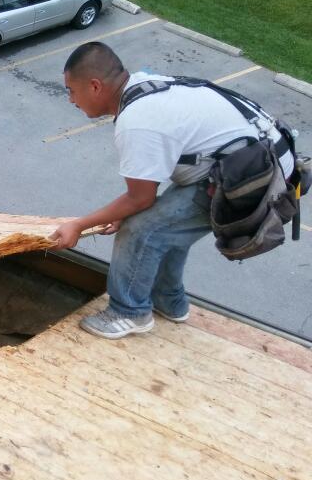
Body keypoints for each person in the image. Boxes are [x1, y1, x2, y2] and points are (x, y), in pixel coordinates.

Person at [51, 42, 296, 339]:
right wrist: (128, 209)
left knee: (141, 229)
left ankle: (129, 312)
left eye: (71, 91)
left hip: (251, 177)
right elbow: (151, 185)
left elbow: (140, 199)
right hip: (251, 158)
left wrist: (78, 225)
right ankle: (170, 302)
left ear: (95, 86)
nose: (70, 100)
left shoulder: (137, 121)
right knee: (167, 228)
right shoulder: (143, 85)